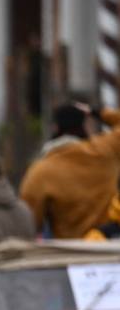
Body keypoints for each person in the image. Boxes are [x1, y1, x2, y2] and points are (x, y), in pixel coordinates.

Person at [19, 102, 120, 239]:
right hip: (110, 249)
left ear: (56, 127)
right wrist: (97, 112)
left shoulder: (41, 171)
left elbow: (28, 224)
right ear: (84, 125)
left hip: (70, 253)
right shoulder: (105, 151)